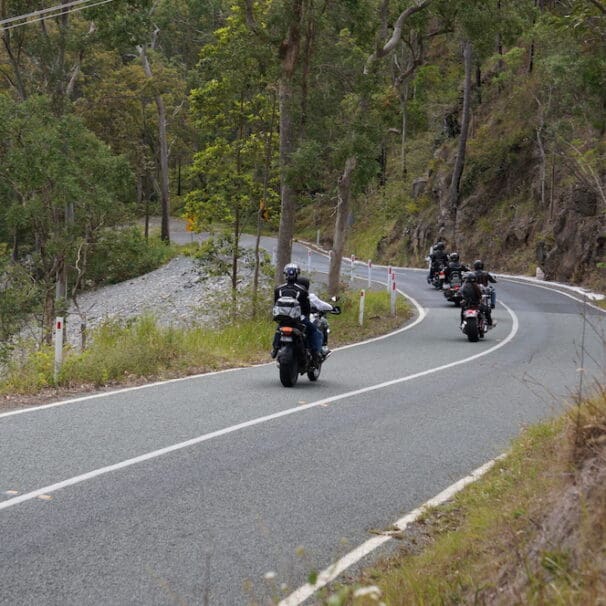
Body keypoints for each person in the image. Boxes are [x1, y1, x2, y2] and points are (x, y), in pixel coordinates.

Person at [271, 263, 324, 361]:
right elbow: (306, 308)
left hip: (282, 319)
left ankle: (275, 348)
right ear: (297, 274)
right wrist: (306, 318)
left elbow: (275, 304)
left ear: (285, 274)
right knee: (315, 331)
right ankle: (316, 354)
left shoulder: (278, 289)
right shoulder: (302, 290)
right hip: (298, 320)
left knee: (278, 330)